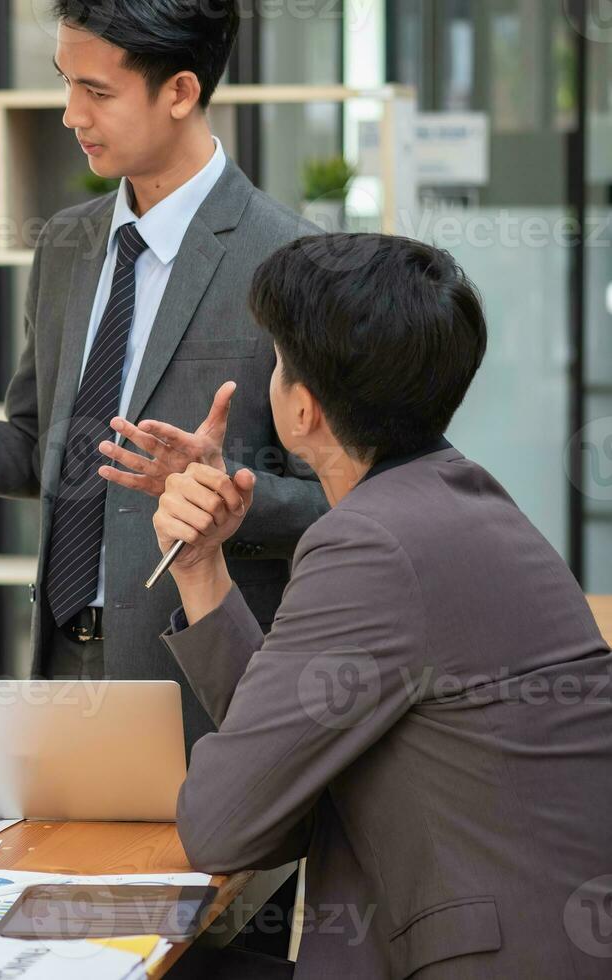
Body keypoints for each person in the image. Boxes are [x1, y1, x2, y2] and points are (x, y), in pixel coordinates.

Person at [0, 0, 328, 750]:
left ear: (180, 91)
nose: (70, 114)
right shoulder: (66, 246)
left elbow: (344, 504)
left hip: (204, 684)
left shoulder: (292, 261)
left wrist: (232, 501)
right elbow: (37, 448)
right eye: (65, 83)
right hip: (60, 666)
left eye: (99, 92)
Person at [155, 234, 612, 979]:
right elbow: (281, 758)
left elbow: (222, 824)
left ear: (301, 409)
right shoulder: (462, 496)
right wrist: (202, 568)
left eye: (276, 361)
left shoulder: (371, 544)